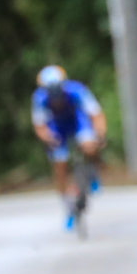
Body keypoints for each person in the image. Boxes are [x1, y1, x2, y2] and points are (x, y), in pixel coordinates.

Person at [31, 65, 107, 230]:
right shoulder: (39, 98)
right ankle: (68, 208)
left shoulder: (77, 91)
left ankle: (93, 171)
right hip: (57, 127)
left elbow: (96, 114)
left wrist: (99, 135)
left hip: (77, 121)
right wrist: (49, 139)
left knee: (89, 146)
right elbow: (40, 127)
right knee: (59, 165)